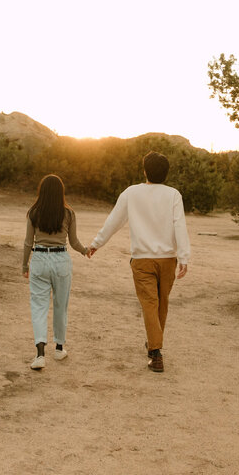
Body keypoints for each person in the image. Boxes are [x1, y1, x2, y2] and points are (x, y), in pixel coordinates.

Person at [87, 151, 190, 373]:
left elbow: (114, 221)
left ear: (145, 170)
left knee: (150, 305)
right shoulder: (173, 194)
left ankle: (155, 351)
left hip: (142, 260)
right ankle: (155, 345)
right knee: (161, 303)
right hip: (168, 259)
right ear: (166, 173)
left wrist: (97, 243)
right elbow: (179, 225)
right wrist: (184, 257)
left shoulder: (131, 193)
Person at [23, 173, 88, 370]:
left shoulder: (33, 212)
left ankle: (40, 354)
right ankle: (59, 349)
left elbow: (28, 242)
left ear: (41, 191)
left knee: (39, 306)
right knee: (61, 305)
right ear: (61, 192)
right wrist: (86, 251)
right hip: (61, 259)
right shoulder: (68, 213)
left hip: (40, 258)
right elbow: (74, 242)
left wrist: (24, 265)